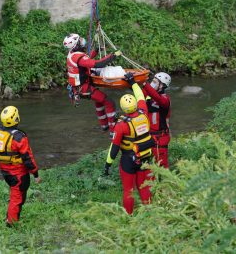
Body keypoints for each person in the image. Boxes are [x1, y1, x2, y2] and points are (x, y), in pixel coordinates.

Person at [103, 73, 156, 215]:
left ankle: (129, 216)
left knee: (128, 190)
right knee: (144, 187)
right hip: (145, 155)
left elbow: (114, 148)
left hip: (129, 159)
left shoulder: (121, 125)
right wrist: (132, 82)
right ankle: (149, 212)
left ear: (122, 108)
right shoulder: (144, 113)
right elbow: (140, 96)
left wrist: (108, 164)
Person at [0, 106, 41, 227]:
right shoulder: (18, 137)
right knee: (17, 197)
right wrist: (36, 174)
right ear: (16, 118)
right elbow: (28, 158)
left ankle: (11, 216)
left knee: (18, 194)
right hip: (18, 173)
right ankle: (11, 222)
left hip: (4, 170)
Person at [63, 33, 122, 134]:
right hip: (84, 88)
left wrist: (96, 50)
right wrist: (113, 56)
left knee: (99, 101)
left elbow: (87, 59)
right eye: (80, 40)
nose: (82, 41)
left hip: (79, 88)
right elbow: (98, 64)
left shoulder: (72, 54)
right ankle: (113, 131)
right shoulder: (78, 57)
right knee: (109, 102)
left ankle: (104, 126)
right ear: (76, 45)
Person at [142, 72, 171, 168]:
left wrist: (145, 84)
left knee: (161, 166)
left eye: (155, 82)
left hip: (160, 138)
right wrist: (136, 81)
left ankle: (166, 182)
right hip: (148, 136)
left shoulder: (165, 100)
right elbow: (141, 95)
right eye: (152, 82)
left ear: (162, 85)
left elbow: (157, 97)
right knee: (148, 166)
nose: (152, 84)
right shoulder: (149, 97)